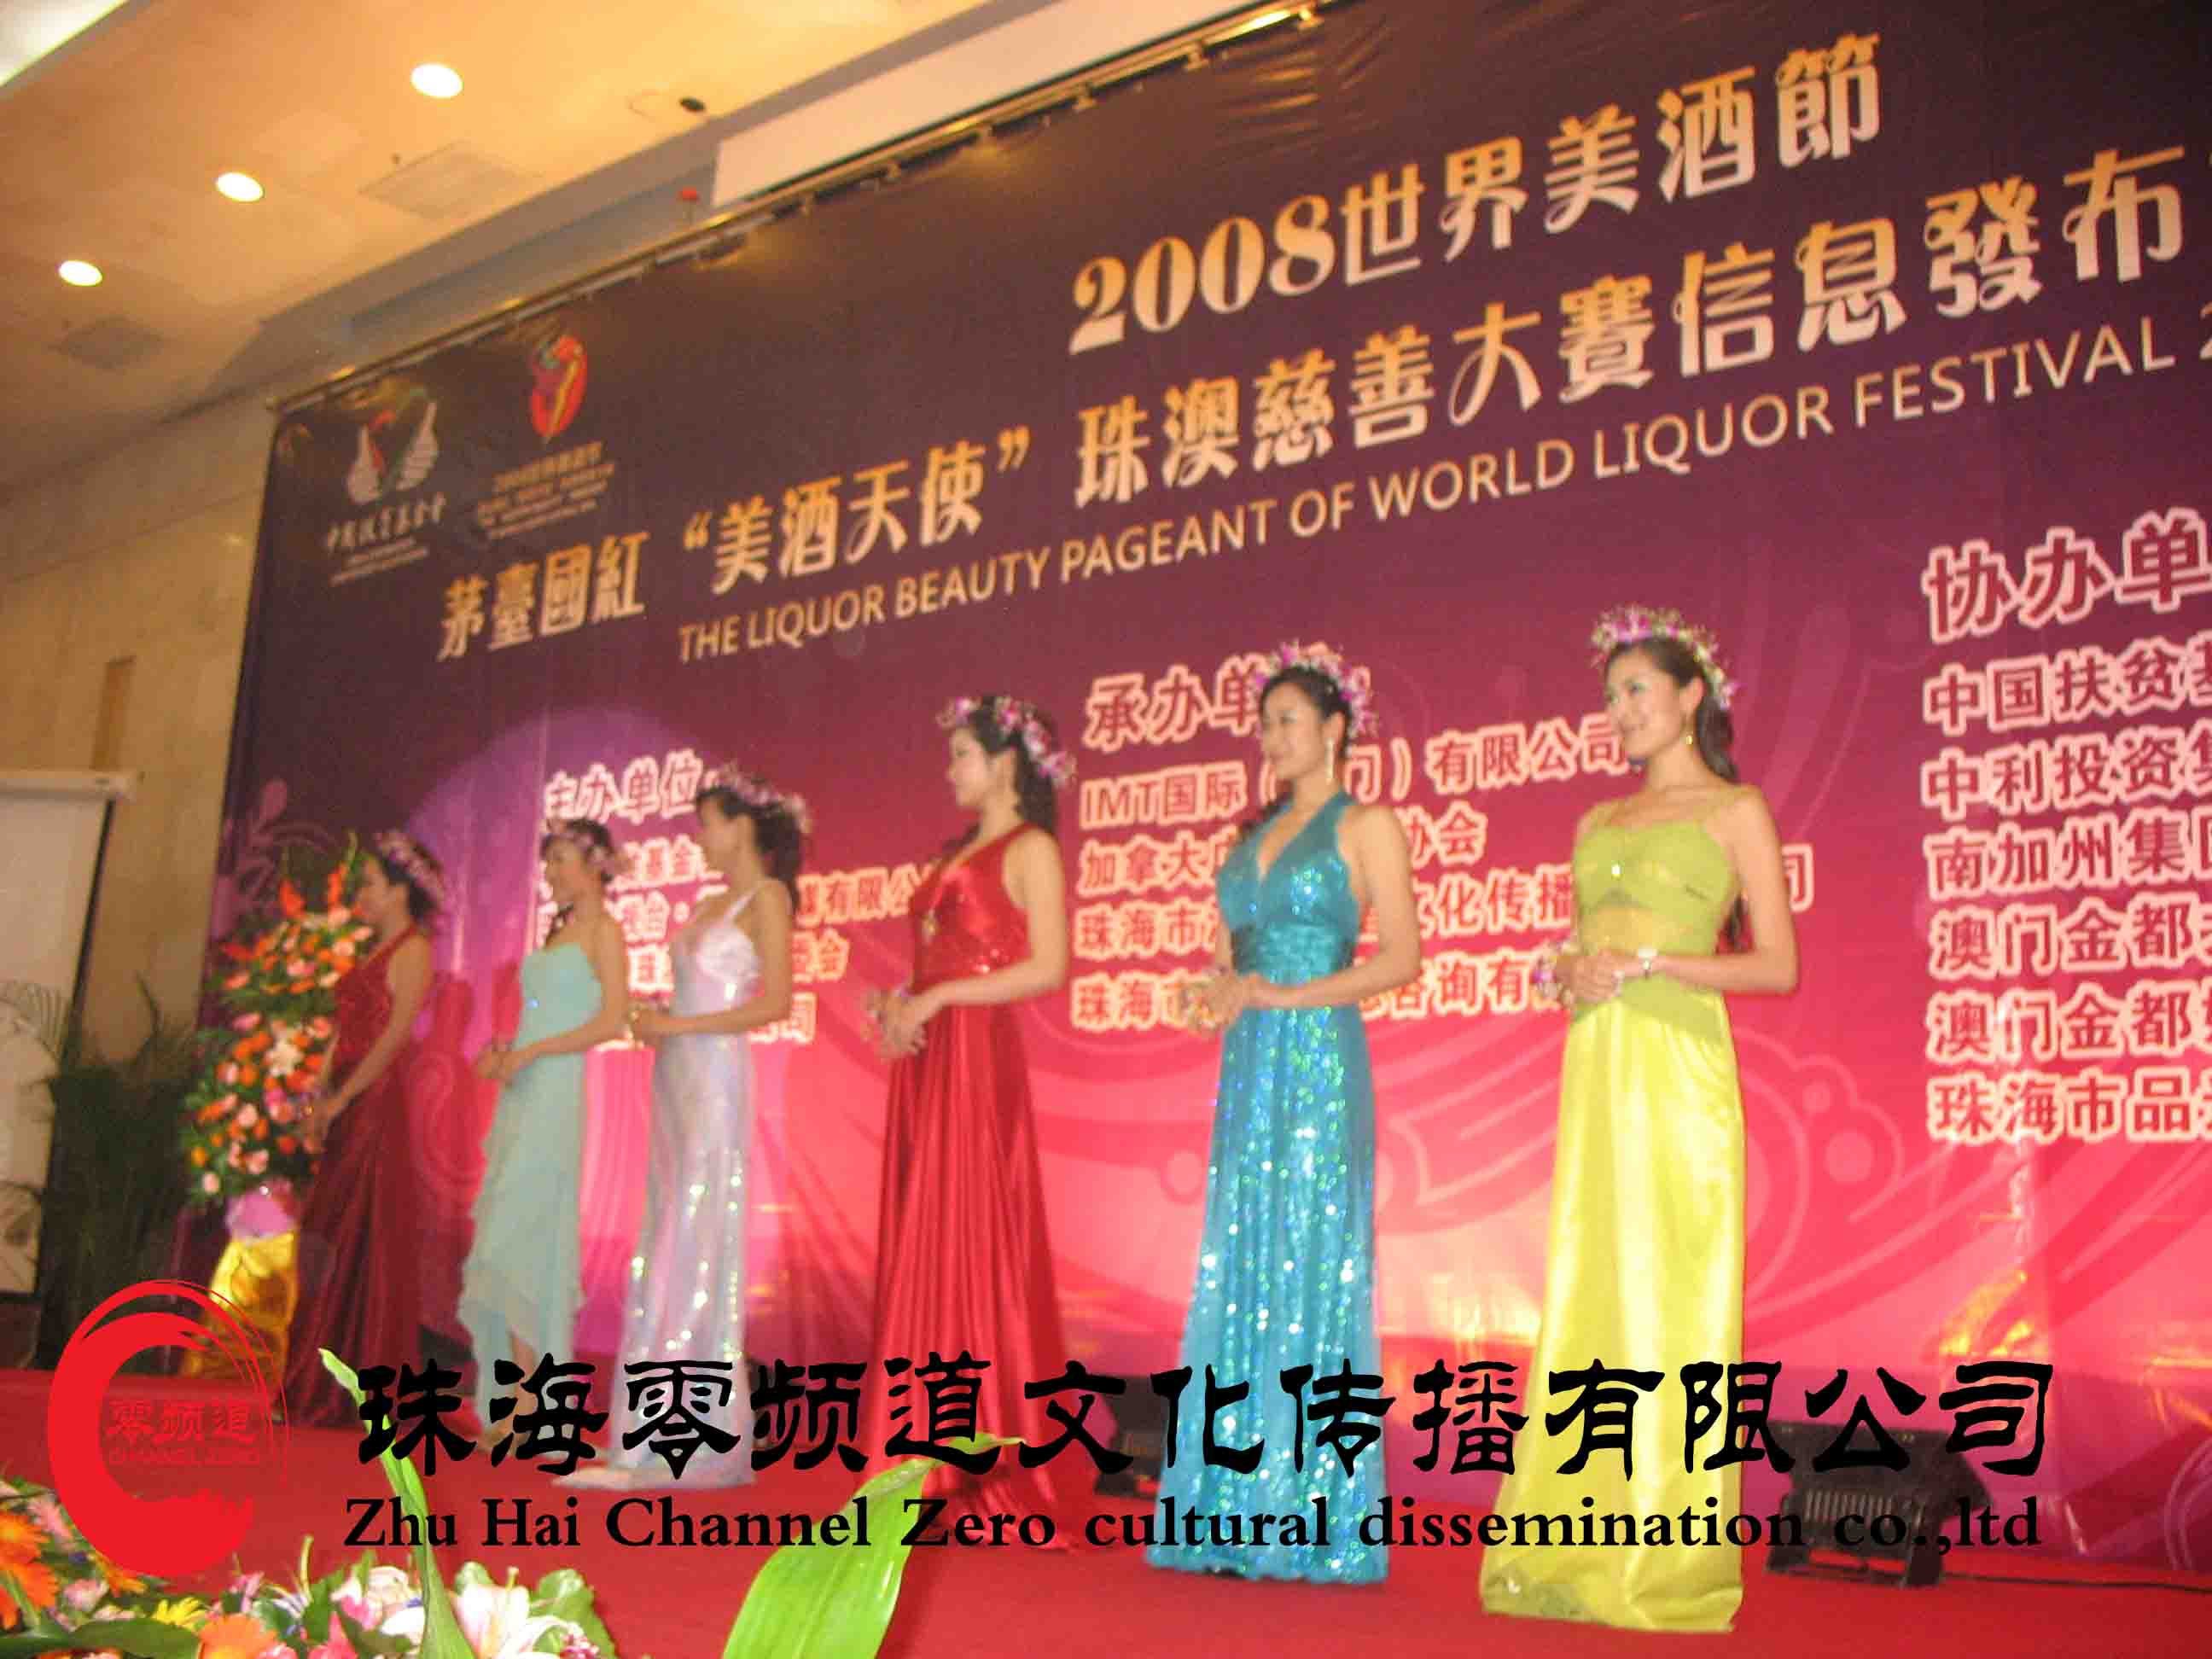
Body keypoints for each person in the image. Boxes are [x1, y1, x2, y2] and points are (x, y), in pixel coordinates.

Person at [1479, 605, 1798, 1633]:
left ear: (1690, 695)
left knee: (1674, 1300)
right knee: (1592, 1289)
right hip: (1598, 1066)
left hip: (1679, 1068)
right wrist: (1562, 973)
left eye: (1636, 691)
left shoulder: (1736, 810)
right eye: (1610, 697)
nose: (1618, 712)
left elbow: (1778, 966)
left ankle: (1662, 1557)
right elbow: (1577, 952)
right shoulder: (1596, 823)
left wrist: (1656, 963)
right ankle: (1571, 1544)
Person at [1146, 642, 1419, 1586]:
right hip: (1250, 1063)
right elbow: (1231, 963)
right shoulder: (1252, 835)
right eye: (1264, 725)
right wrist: (1214, 993)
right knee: (1243, 1257)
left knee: (1309, 1258)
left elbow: (1401, 960)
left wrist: (1284, 997)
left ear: (1335, 728)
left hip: (1316, 1059)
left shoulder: (1366, 825)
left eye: (1289, 720)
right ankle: (1226, 1500)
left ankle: (1305, 1509)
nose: (1272, 737)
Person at [864, 693, 1074, 1528]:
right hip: (934, 1057)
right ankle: (918, 1453)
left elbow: (1048, 967)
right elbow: (940, 958)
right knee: (929, 1241)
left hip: (978, 1059)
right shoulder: (963, 851)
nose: (950, 770)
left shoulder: (1031, 848)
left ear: (1006, 762)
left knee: (970, 1242)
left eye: (962, 754)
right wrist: (903, 1003)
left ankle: (973, 1463)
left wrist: (942, 996)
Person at [565, 766, 803, 1490]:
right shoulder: (707, 904)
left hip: (716, 1078)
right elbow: (694, 996)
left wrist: (681, 1026)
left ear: (743, 826)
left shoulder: (768, 898)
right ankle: (643, 1437)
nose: (699, 837)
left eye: (708, 822)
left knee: (693, 1243)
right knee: (663, 1239)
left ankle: (674, 1442)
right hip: (678, 1075)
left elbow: (775, 1003)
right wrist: (660, 1021)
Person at [458, 816, 631, 1427]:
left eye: (560, 860)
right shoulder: (560, 931)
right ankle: (515, 1396)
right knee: (508, 1233)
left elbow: (612, 1019)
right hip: (523, 1090)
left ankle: (529, 1402)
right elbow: (538, 1015)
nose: (550, 872)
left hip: (556, 1092)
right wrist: (507, 1053)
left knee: (529, 1232)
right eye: (549, 860)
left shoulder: (605, 932)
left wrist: (535, 1052)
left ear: (594, 866)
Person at [283, 831, 439, 1426]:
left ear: (401, 890)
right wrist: (319, 1095)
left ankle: (346, 1385)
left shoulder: (413, 950)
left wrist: (344, 1097)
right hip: (346, 1103)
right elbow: (343, 1031)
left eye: (371, 883)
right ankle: (311, 1377)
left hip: (373, 1107)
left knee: (353, 1235)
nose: (362, 895)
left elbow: (394, 1037)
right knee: (325, 1235)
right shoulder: (373, 951)